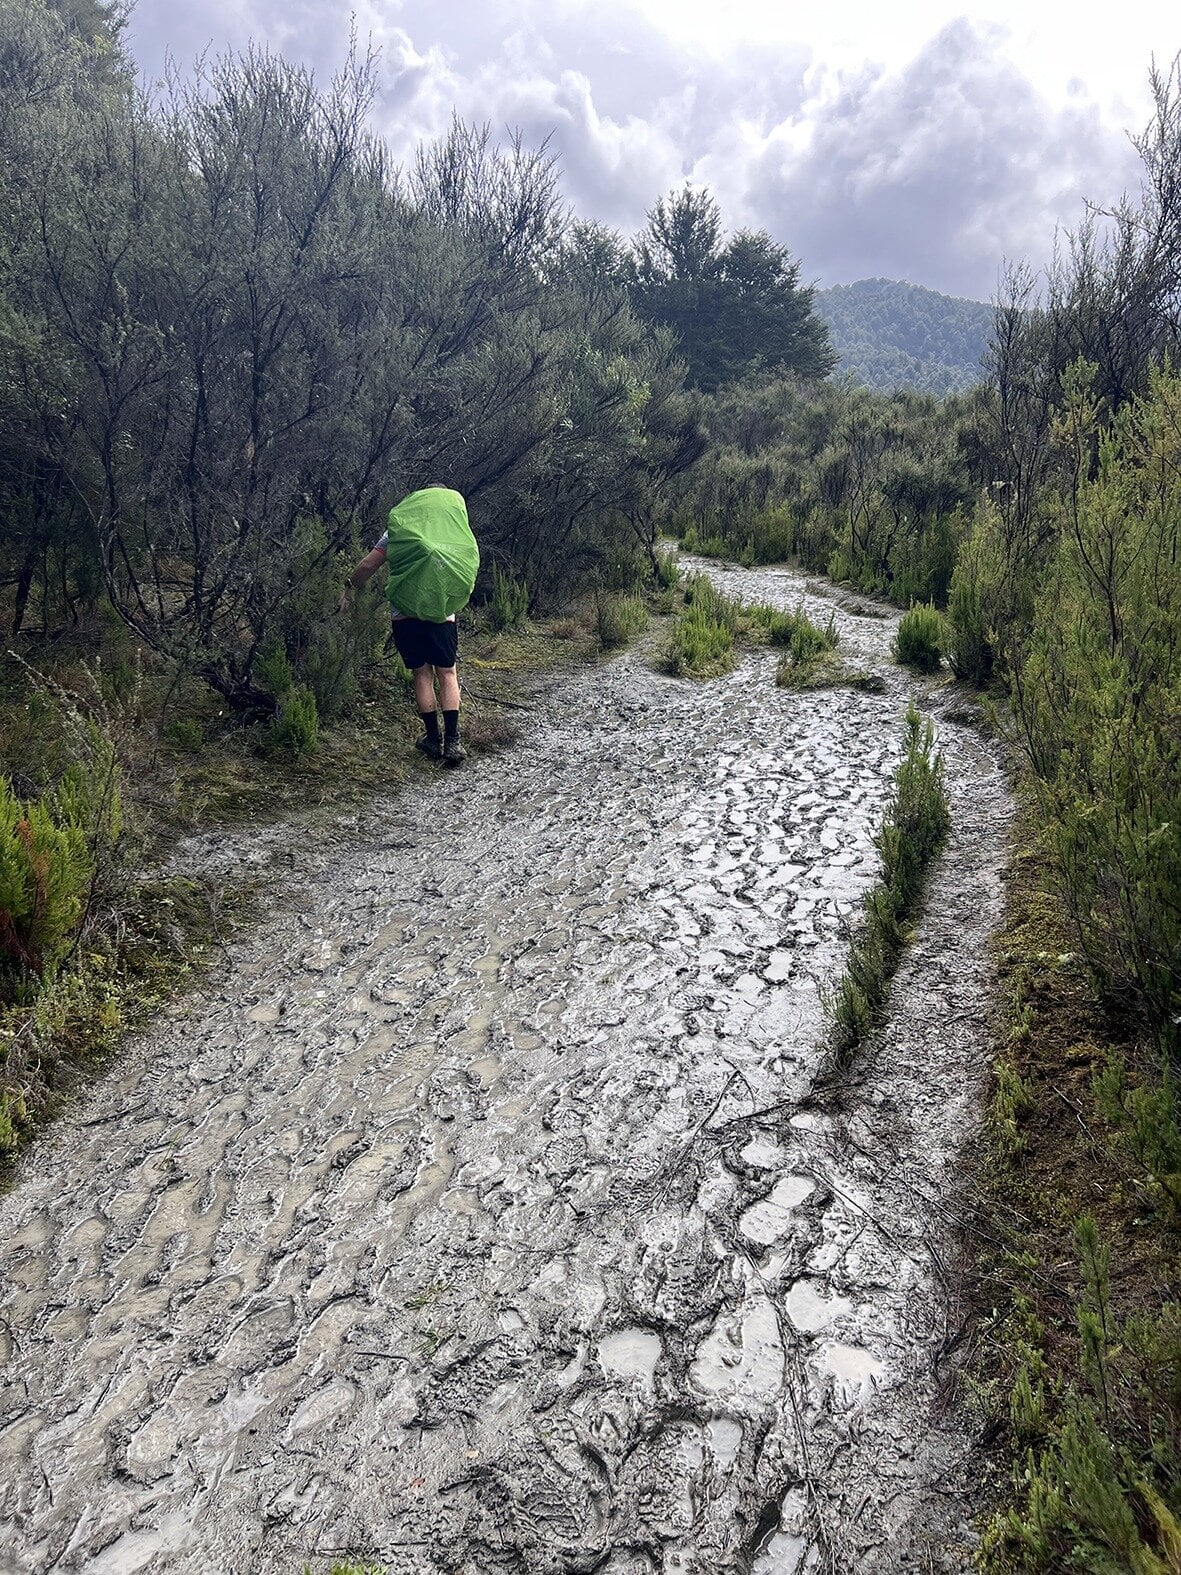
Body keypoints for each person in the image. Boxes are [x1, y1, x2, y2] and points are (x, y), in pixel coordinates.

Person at [339, 484, 474, 766]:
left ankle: (431, 739)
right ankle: (453, 742)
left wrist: (350, 588)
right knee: (447, 673)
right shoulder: (454, 535)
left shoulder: (399, 532)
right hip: (442, 614)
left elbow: (367, 565)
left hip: (404, 615)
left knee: (421, 674)